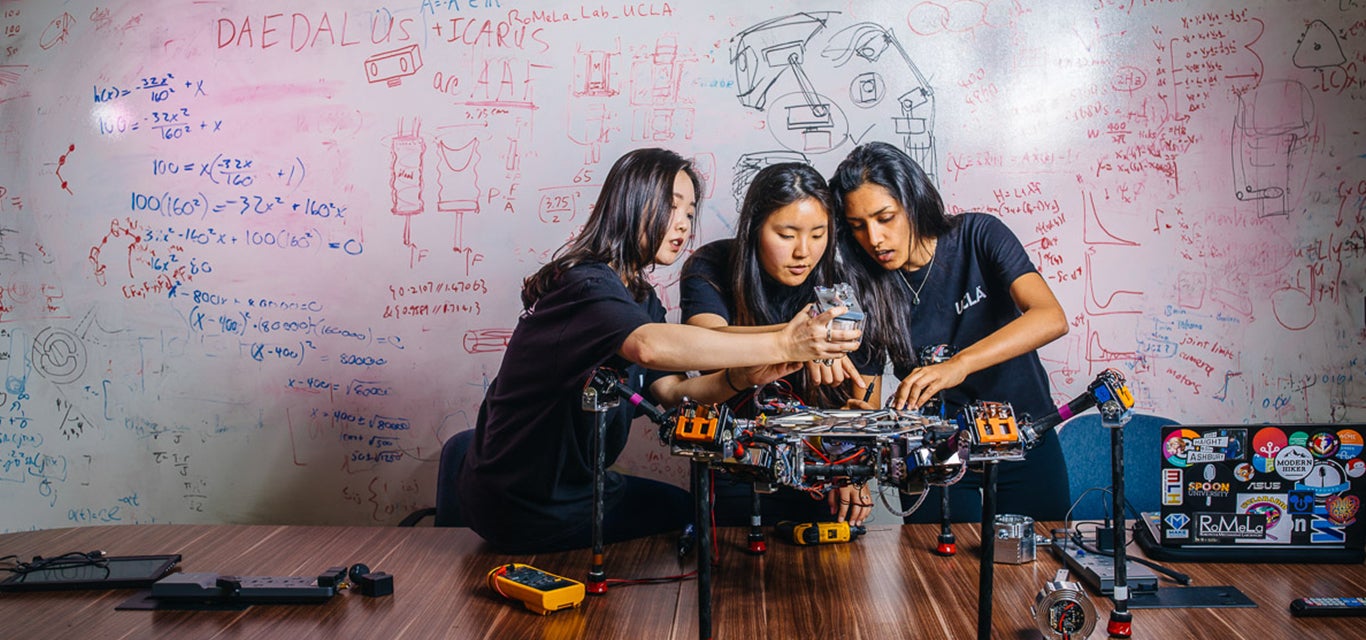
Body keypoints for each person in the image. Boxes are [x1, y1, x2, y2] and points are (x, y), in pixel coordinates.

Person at [457, 148, 861, 553]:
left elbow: (669, 392)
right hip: (526, 503)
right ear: (631, 205)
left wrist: (742, 377)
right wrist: (786, 342)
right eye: (671, 208)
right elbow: (649, 348)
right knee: (691, 522)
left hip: (581, 490)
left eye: (689, 213)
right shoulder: (584, 283)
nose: (683, 225)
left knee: (688, 511)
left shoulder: (639, 299)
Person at [828, 141, 1071, 523]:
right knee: (938, 576)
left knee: (1040, 565)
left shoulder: (978, 235)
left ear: (913, 201)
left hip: (1024, 438)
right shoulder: (864, 287)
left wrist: (959, 365)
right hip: (935, 455)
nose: (873, 239)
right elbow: (867, 396)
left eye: (885, 217)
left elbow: (1050, 317)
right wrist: (852, 459)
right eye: (858, 226)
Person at [680, 162, 879, 528]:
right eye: (786, 235)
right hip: (735, 462)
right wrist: (796, 342)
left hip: (824, 468)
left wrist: (855, 465)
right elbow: (703, 344)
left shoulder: (847, 285)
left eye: (818, 234)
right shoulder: (711, 266)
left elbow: (864, 395)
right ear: (755, 228)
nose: (804, 251)